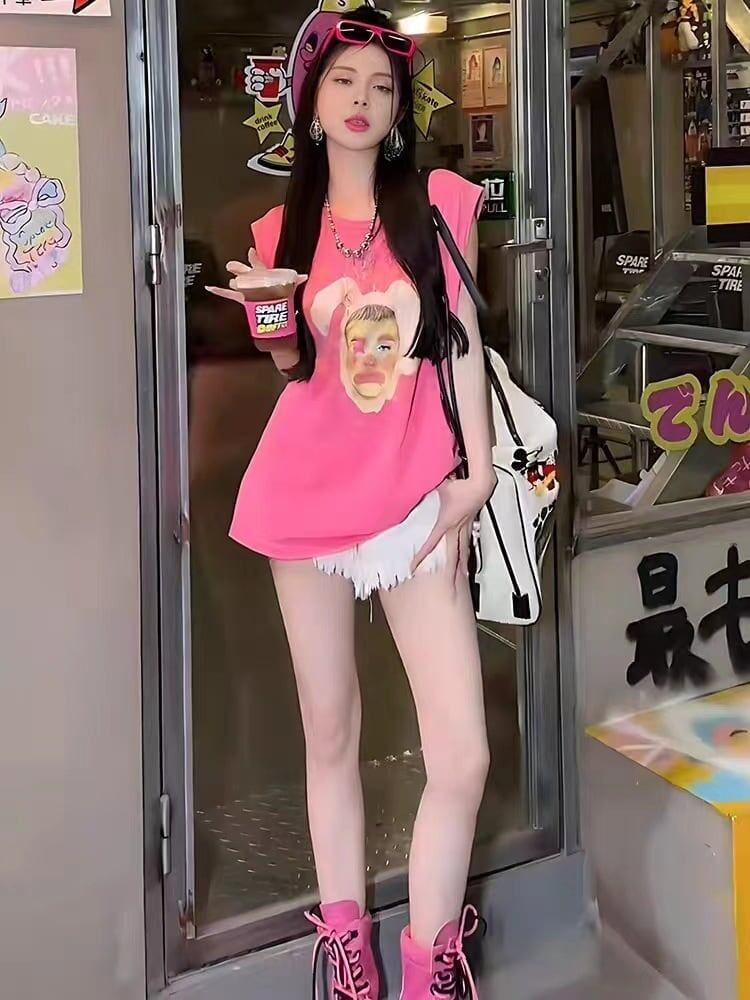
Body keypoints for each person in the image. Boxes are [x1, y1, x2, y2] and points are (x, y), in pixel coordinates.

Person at [206, 6, 494, 997]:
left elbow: (460, 342)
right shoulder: (276, 230)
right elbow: (296, 371)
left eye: (380, 84)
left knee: (461, 753)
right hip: (306, 497)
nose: (363, 99)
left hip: (416, 497)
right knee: (329, 733)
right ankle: (347, 947)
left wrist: (475, 474)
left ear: (400, 107)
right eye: (343, 82)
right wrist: (275, 327)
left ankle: (429, 962)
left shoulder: (441, 204)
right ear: (311, 104)